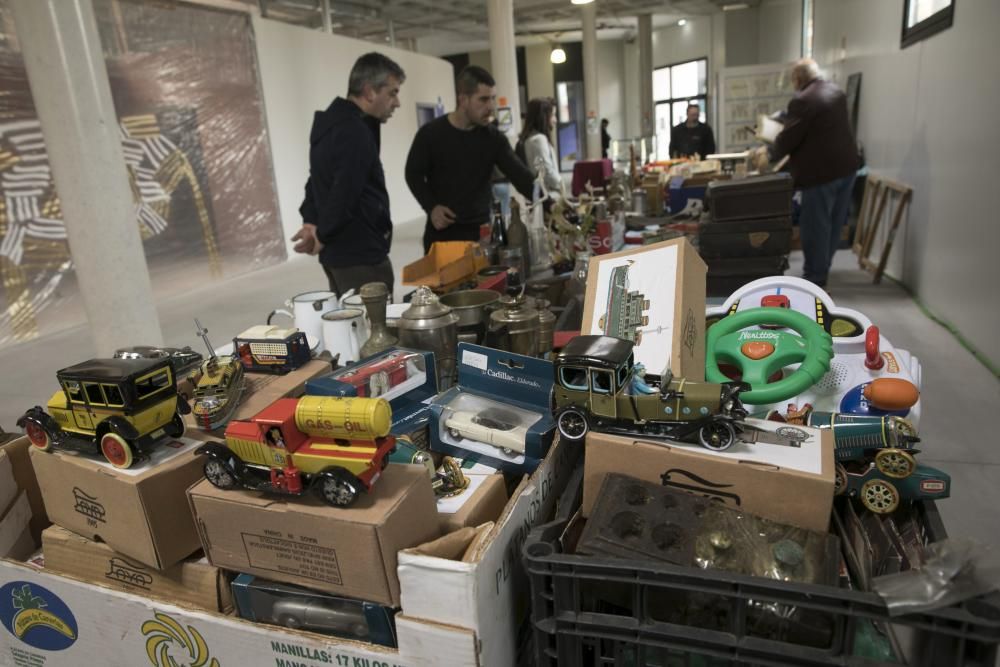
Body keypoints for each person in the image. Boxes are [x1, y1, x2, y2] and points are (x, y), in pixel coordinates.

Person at [294, 52, 405, 296]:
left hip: (339, 257)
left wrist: (311, 220)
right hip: (360, 257)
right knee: (375, 330)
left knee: (350, 329)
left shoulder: (331, 124)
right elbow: (344, 192)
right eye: (393, 93)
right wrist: (322, 235)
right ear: (369, 91)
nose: (397, 103)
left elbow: (317, 179)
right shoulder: (354, 130)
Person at [405, 66, 535, 254]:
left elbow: (520, 176)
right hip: (441, 236)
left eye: (492, 98)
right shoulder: (430, 134)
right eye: (483, 99)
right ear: (463, 100)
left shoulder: (493, 138)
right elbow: (413, 174)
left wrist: (552, 207)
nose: (490, 106)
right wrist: (431, 207)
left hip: (481, 235)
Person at [755, 58, 858, 288]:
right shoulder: (835, 91)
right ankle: (823, 268)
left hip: (822, 174)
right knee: (833, 223)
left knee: (815, 226)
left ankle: (815, 278)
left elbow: (788, 139)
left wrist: (768, 153)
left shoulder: (803, 100)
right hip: (848, 168)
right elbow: (815, 124)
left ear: (798, 78)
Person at [517, 97, 563, 200]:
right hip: (548, 197)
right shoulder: (539, 139)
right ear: (543, 116)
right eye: (553, 115)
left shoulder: (530, 138)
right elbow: (547, 171)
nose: (555, 120)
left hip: (539, 196)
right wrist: (560, 184)